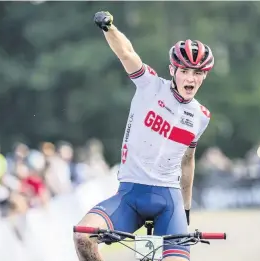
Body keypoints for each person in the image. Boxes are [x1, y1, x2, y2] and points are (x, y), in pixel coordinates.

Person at [73, 11, 214, 261]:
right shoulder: (150, 85)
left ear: (204, 75)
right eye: (185, 70)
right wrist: (109, 28)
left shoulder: (201, 116)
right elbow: (127, 52)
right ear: (173, 69)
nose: (191, 78)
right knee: (83, 237)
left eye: (198, 72)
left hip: (169, 201)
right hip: (130, 196)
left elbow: (187, 161)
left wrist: (187, 209)